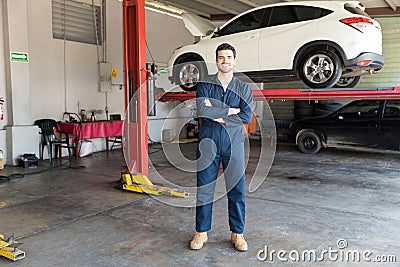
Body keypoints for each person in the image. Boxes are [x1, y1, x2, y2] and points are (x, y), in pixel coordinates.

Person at [190, 43, 254, 251]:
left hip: (233, 144)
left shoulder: (244, 88)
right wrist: (231, 111)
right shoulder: (205, 84)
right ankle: (201, 232)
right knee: (205, 188)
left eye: (228, 57)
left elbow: (246, 116)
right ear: (216, 60)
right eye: (221, 57)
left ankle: (238, 233)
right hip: (208, 142)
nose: (225, 61)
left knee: (237, 190)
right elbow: (202, 110)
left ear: (234, 60)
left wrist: (216, 112)